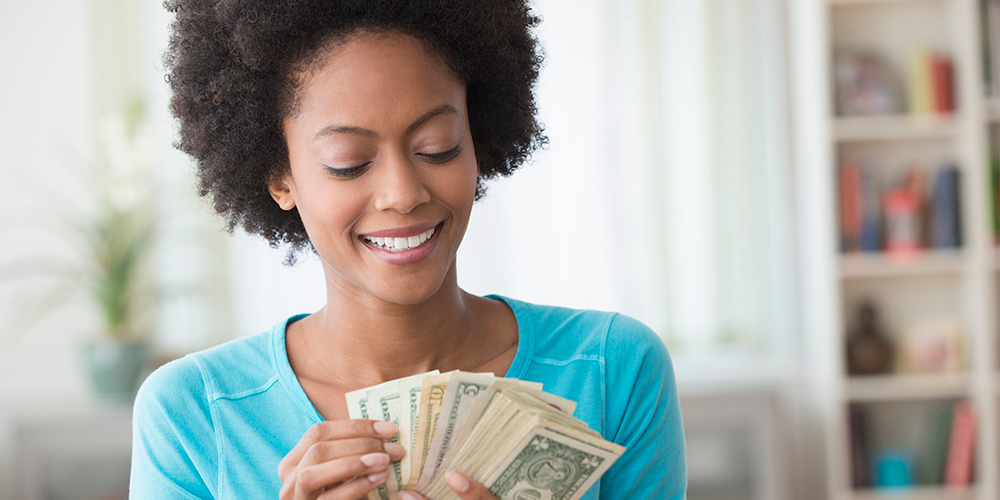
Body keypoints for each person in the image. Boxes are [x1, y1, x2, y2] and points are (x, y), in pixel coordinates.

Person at [129, 1, 687, 499]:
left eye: (437, 148)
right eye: (349, 162)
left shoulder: (613, 369)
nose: (403, 193)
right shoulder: (193, 413)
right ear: (280, 177)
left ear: (479, 141)